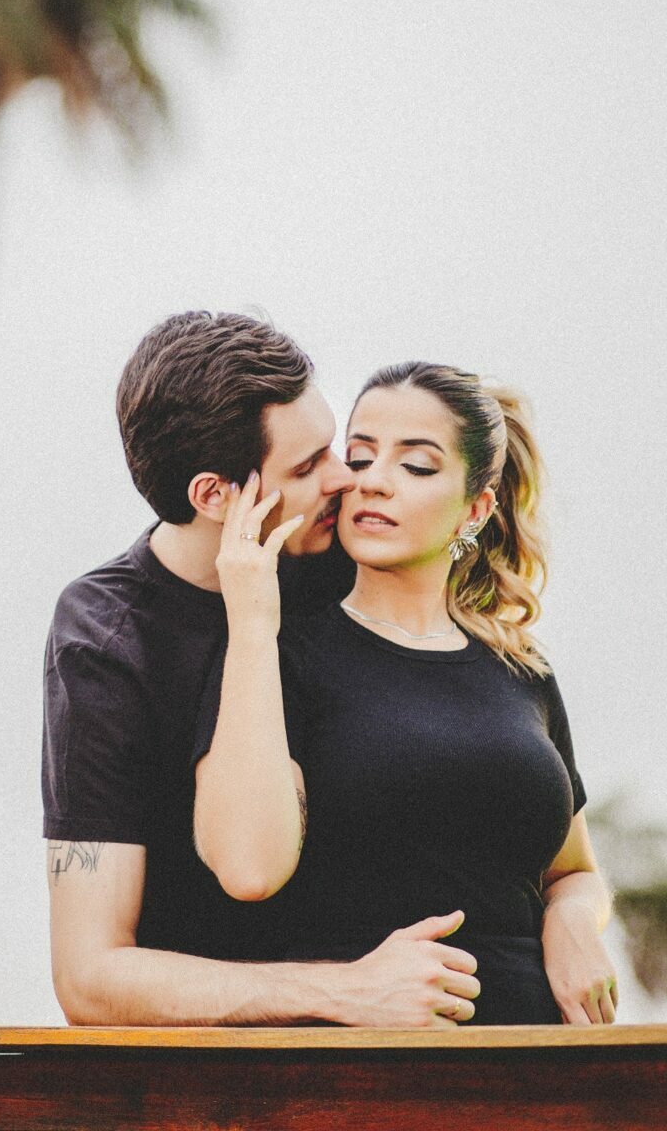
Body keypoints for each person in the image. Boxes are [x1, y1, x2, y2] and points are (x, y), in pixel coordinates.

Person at [43, 315, 482, 1026]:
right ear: (214, 496)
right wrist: (340, 993)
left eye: (334, 447)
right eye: (306, 468)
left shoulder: (348, 556)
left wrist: (572, 903)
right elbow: (88, 978)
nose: (345, 478)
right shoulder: (106, 638)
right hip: (230, 1066)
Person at [195, 361, 619, 1026]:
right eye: (360, 457)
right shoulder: (278, 656)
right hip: (361, 1058)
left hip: (542, 1057)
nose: (372, 481)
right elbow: (247, 868)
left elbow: (574, 872)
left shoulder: (520, 668)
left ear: (475, 509)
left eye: (416, 466)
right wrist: (250, 620)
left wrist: (570, 922)